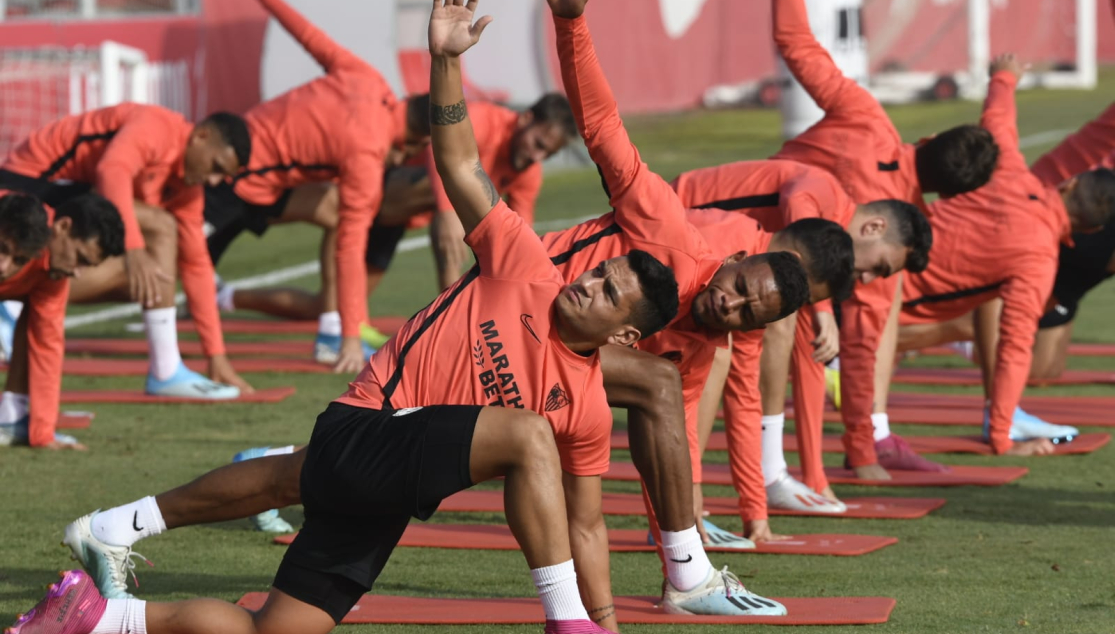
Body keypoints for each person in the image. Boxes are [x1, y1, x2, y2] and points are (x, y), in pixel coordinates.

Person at [11, 3, 682, 633]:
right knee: (526, 436)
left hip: (391, 489)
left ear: (626, 335)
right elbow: (459, 161)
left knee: (271, 624)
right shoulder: (524, 263)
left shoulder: (587, 408)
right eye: (599, 271)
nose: (588, 282)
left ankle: (99, 619)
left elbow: (587, 526)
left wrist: (609, 621)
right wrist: (443, 60)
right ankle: (562, 622)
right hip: (370, 423)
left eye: (607, 291)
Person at [770, 0, 1002, 479]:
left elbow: (795, 43)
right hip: (774, 278)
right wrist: (860, 450)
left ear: (933, 136)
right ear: (949, 194)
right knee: (868, 315)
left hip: (723, 214)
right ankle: (863, 437)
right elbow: (861, 344)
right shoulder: (891, 234)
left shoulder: (866, 114)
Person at [866, 55, 1115, 456]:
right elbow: (1014, 351)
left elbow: (997, 123)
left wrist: (1004, 76)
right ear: (1089, 230)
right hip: (872, 310)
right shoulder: (1037, 264)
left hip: (859, 261)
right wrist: (1001, 438)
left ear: (1067, 186)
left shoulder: (1013, 173)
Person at [672, 158, 932, 539]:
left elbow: (747, 396)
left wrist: (755, 517)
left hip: (723, 275)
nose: (870, 279)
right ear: (874, 227)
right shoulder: (815, 195)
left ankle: (760, 480)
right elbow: (796, 211)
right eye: (879, 267)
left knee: (737, 366)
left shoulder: (754, 283)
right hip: (673, 231)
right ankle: (688, 508)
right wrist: (823, 311)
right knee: (717, 359)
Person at [219, 94, 578, 355]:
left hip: (393, 220)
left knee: (327, 308)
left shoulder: (528, 171)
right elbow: (443, 157)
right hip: (380, 190)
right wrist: (445, 211)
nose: (537, 156)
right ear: (526, 119)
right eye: (538, 143)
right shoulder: (482, 120)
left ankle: (226, 297)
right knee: (452, 200)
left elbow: (522, 240)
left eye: (547, 153)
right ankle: (451, 323)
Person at [203, 0, 434, 373]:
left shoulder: (367, 77)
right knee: (143, 273)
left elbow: (306, 35)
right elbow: (351, 248)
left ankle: (328, 328)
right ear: (419, 142)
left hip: (269, 184)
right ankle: (336, 332)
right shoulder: (367, 155)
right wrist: (352, 338)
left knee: (334, 209)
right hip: (229, 181)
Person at [0, 104, 253, 399]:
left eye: (222, 177)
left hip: (65, 200)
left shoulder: (187, 190)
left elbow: (197, 265)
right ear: (202, 136)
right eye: (216, 167)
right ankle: (13, 299)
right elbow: (111, 170)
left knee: (155, 277)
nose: (213, 181)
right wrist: (133, 250)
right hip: (27, 187)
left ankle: (166, 369)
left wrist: (216, 356)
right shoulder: (157, 125)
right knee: (159, 227)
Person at [0, 193, 124, 450]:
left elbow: (47, 345)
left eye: (87, 266)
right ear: (63, 227)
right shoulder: (14, 222)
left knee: (36, 323)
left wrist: (44, 434)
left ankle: (10, 418)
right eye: (79, 258)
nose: (77, 272)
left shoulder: (53, 274)